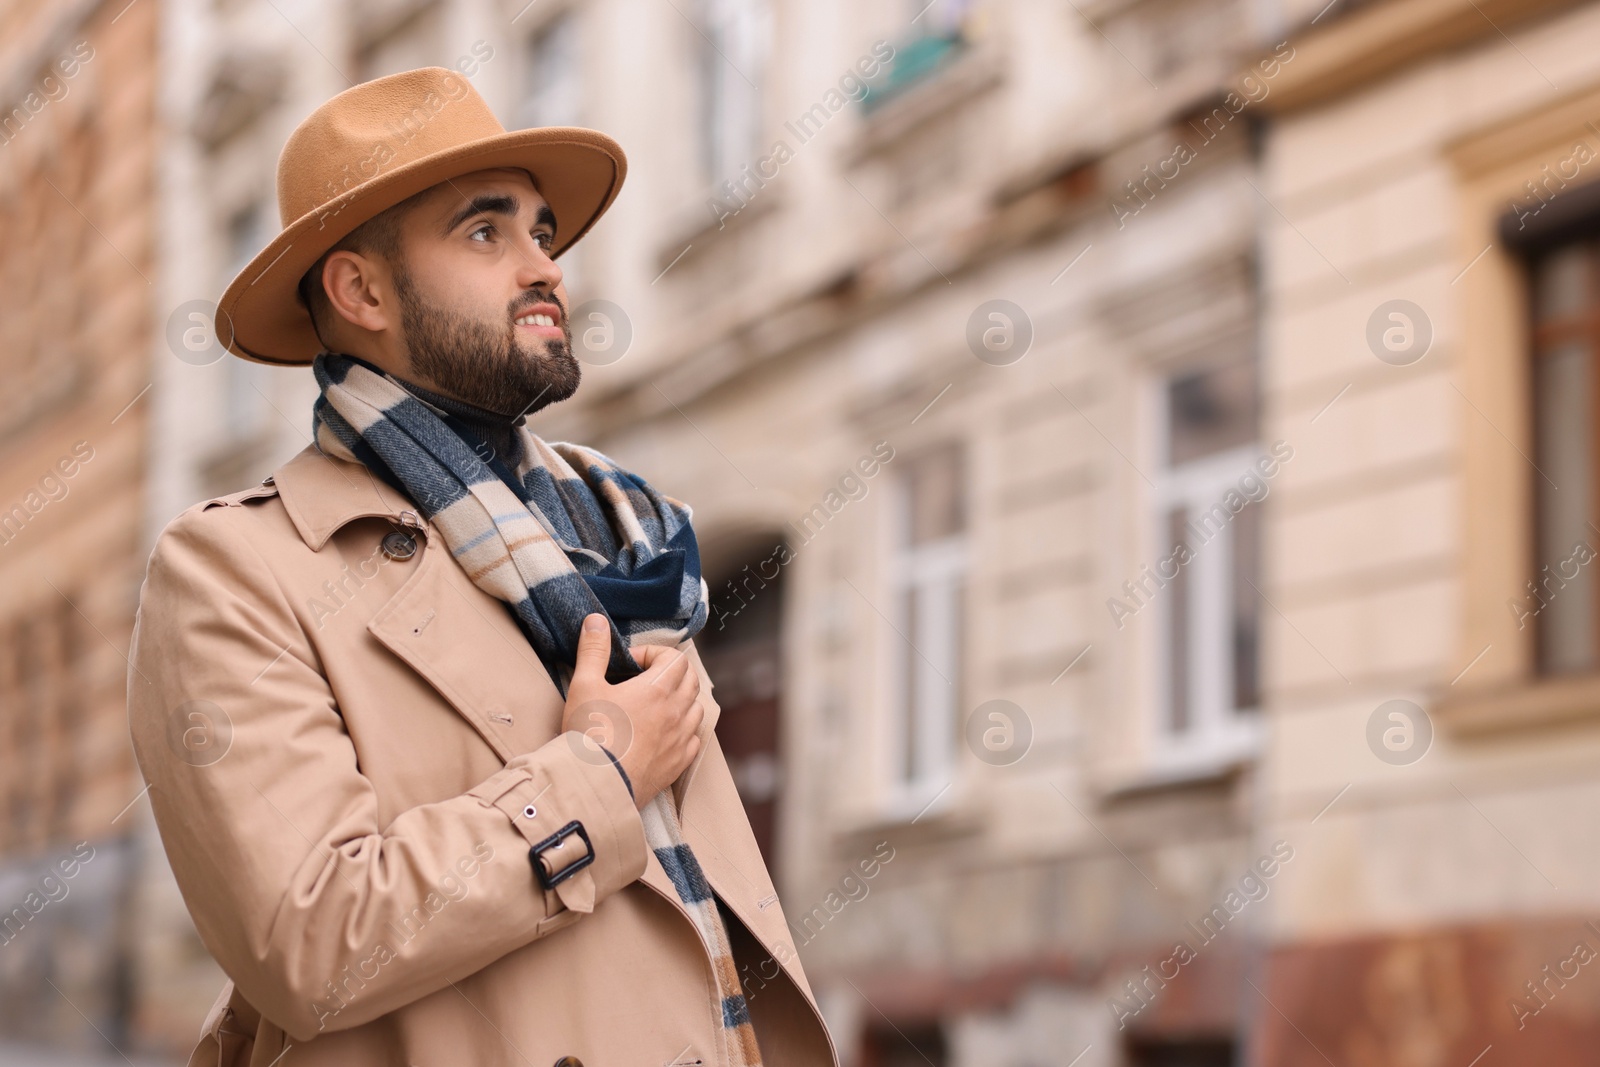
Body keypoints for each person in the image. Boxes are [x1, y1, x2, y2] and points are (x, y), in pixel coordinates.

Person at [127, 66, 835, 1067]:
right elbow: (309, 938)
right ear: (361, 289)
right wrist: (601, 772)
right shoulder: (238, 569)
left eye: (542, 233)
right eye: (484, 232)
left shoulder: (622, 538)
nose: (543, 267)